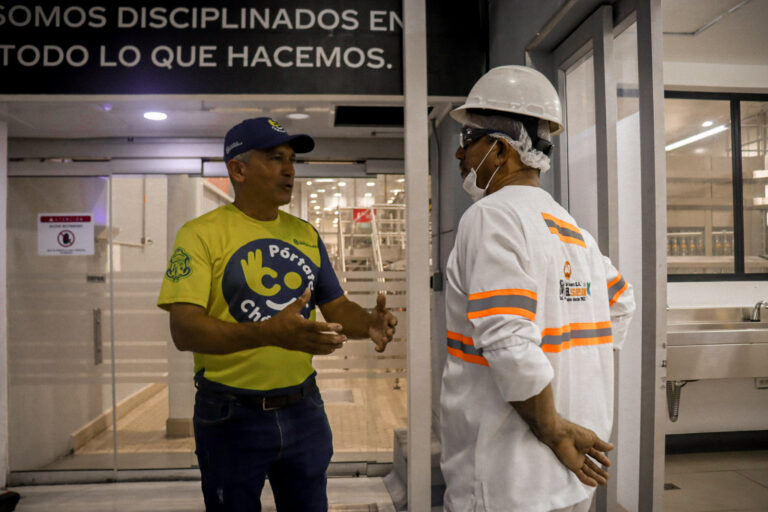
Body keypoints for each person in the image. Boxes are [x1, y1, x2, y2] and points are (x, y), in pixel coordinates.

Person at [157, 117, 398, 512]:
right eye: (275, 158)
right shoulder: (200, 234)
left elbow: (336, 306)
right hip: (230, 416)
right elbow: (184, 330)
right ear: (238, 169)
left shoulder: (304, 234)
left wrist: (368, 321)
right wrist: (268, 333)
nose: (289, 169)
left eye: (291, 159)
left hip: (304, 410)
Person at [440, 66, 636, 512]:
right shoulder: (569, 229)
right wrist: (575, 371)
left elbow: (509, 337)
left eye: (469, 140)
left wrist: (550, 427)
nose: (459, 154)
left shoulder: (491, 217)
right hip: (571, 473)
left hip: (506, 476)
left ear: (501, 150)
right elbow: (621, 303)